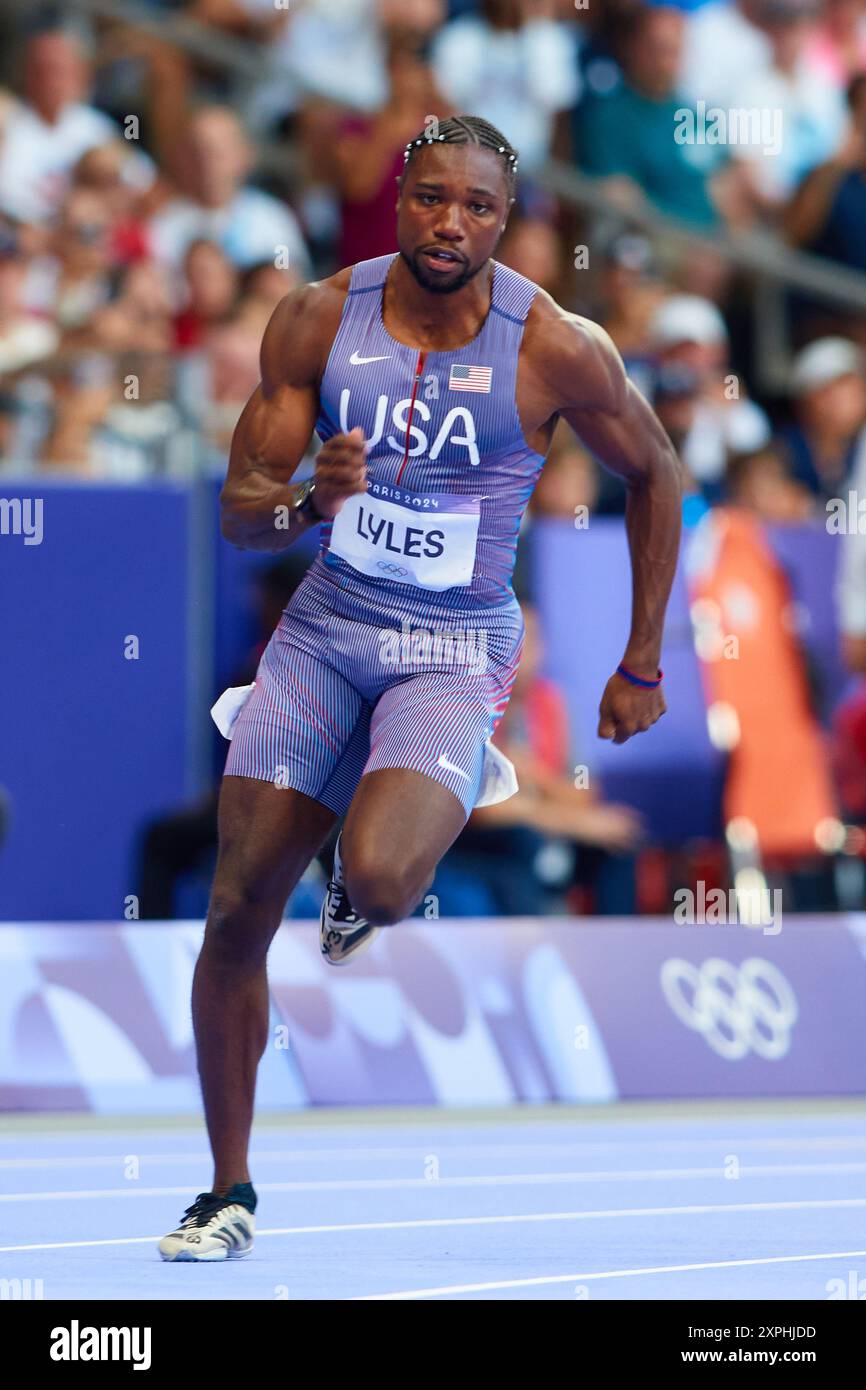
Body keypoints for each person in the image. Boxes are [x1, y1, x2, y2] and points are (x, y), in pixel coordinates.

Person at [157, 114, 683, 1261]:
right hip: (326, 626)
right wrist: (305, 496)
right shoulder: (314, 317)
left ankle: (357, 890)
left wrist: (641, 657)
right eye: (431, 197)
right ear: (398, 196)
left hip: (453, 644)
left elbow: (656, 471)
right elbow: (240, 513)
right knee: (238, 905)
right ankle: (225, 1186)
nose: (450, 223)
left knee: (386, 878)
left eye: (478, 206)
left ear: (506, 220)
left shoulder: (555, 345)